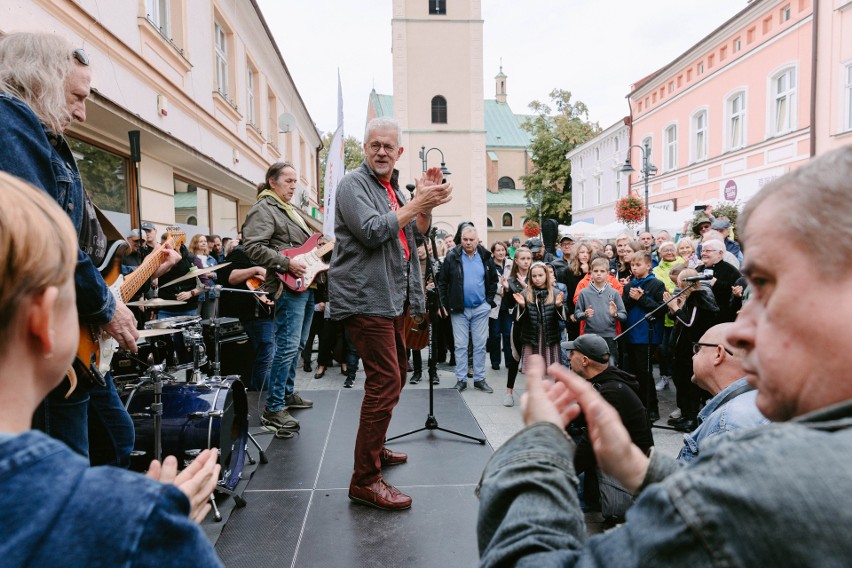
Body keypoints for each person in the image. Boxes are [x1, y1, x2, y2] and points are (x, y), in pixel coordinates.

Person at [477, 146, 852, 568]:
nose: (743, 331)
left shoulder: (791, 469)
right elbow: (725, 521)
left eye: (765, 285)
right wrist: (641, 468)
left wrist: (541, 445)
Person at [0, 171, 223, 567]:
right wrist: (153, 528)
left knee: (117, 433)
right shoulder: (138, 527)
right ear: (44, 320)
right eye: (75, 296)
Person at [0, 32, 181, 466]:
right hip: (41, 346)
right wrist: (106, 309)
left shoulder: (35, 135)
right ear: (39, 81)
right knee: (70, 462)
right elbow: (50, 238)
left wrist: (146, 273)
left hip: (69, 339)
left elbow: (84, 250)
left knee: (115, 438)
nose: (82, 114)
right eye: (77, 97)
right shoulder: (10, 121)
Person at [329, 117, 452, 511]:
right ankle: (364, 480)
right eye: (374, 145)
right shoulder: (352, 185)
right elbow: (370, 230)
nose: (381, 151)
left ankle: (375, 449)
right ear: (364, 148)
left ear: (399, 152)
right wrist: (417, 202)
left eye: (389, 147)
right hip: (365, 300)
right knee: (385, 383)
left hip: (392, 299)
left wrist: (425, 204)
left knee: (394, 377)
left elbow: (413, 232)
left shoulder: (391, 189)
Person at [243, 161, 316, 432]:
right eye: (288, 180)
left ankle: (286, 393)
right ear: (272, 182)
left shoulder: (289, 210)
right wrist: (286, 265)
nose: (294, 185)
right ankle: (274, 408)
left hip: (306, 285)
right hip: (288, 285)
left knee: (298, 345)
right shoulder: (264, 208)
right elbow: (251, 246)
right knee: (286, 346)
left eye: (296, 181)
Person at [563, 335, 653, 519]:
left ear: (585, 360)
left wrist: (559, 477)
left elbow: (589, 446)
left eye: (572, 353)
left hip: (622, 479)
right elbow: (577, 419)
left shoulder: (611, 392)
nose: (568, 358)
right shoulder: (604, 382)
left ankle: (589, 502)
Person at [678, 323, 768, 463]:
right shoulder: (758, 402)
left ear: (718, 354)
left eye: (698, 349)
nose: (693, 356)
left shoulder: (727, 425)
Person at [439, 224, 498, 393]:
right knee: (460, 345)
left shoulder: (485, 256)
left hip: (480, 307)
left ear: (477, 240)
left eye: (471, 240)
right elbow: (443, 282)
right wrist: (444, 304)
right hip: (459, 309)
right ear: (461, 239)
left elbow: (493, 281)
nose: (468, 243)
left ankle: (479, 379)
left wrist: (488, 302)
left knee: (480, 345)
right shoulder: (452, 256)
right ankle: (461, 379)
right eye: (465, 239)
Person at [664, 268, 720, 432]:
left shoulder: (698, 298)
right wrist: (675, 308)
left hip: (692, 350)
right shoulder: (688, 298)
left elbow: (690, 324)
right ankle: (685, 414)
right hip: (681, 350)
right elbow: (678, 319)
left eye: (679, 282)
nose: (677, 286)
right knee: (680, 382)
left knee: (690, 387)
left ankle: (691, 418)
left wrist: (676, 308)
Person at [216, 243, 275, 392]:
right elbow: (230, 277)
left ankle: (259, 395)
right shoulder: (240, 253)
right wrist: (255, 270)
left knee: (263, 358)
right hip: (255, 315)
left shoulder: (270, 253)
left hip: (268, 313)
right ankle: (267, 398)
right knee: (266, 359)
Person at [622, 250, 665, 422]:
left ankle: (651, 408)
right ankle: (636, 407)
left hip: (647, 335)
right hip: (630, 333)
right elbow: (624, 307)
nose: (634, 268)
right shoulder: (628, 286)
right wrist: (632, 299)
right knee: (631, 373)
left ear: (648, 265)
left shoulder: (657, 284)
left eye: (638, 264)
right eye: (632, 265)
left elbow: (661, 310)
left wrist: (641, 298)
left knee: (645, 373)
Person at [512, 261, 564, 373]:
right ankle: (535, 389)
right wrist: (521, 306)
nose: (537, 279)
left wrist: (559, 306)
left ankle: (549, 390)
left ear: (546, 275)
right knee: (534, 372)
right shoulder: (525, 293)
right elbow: (518, 319)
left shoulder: (555, 293)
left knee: (550, 370)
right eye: (534, 276)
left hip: (549, 336)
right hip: (532, 336)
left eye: (540, 275)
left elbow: (563, 318)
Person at [574, 257, 626, 363]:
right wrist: (584, 314)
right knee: (591, 365)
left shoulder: (614, 292)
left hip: (609, 336)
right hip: (590, 335)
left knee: (610, 365)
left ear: (607, 273)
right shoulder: (584, 293)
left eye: (602, 271)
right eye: (596, 271)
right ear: (591, 273)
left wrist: (615, 314)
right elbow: (576, 314)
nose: (599, 274)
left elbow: (624, 315)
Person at [500, 246, 532, 407]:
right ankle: (509, 392)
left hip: (534, 324)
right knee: (515, 358)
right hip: (519, 323)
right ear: (517, 261)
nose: (526, 261)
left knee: (534, 360)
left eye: (529, 258)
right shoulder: (511, 280)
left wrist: (526, 287)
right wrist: (506, 290)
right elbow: (507, 306)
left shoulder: (536, 277)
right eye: (523, 259)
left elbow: (540, 299)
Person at [695, 238, 742, 323]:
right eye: (702, 251)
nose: (703, 254)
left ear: (720, 253)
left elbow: (735, 296)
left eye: (707, 251)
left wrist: (716, 283)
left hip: (721, 319)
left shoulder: (731, 271)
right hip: (699, 319)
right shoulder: (698, 269)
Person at [487, 241, 513, 371]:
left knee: (508, 334)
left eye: (503, 250)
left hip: (507, 304)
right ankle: (495, 361)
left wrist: (507, 288)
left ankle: (509, 360)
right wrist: (500, 288)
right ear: (493, 252)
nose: (501, 252)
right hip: (495, 304)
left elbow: (513, 281)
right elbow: (487, 283)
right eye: (498, 250)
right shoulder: (489, 265)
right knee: (495, 335)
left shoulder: (510, 264)